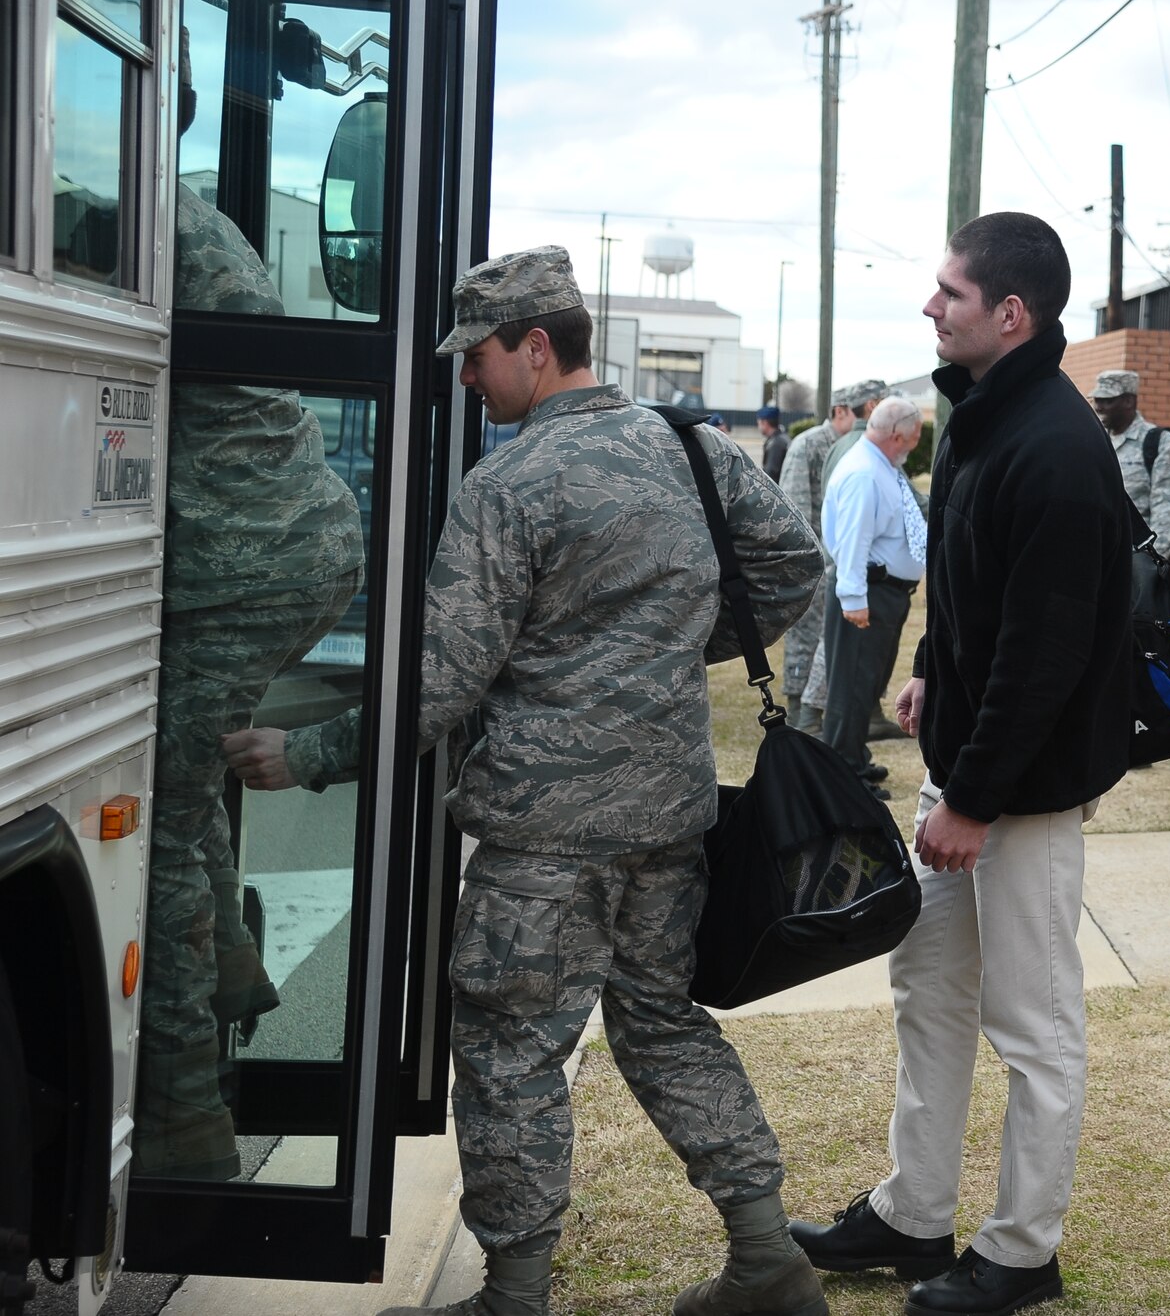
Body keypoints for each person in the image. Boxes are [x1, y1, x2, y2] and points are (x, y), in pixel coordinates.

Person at [222, 248, 827, 1316]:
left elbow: (440, 682)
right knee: (662, 1025)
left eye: (478, 357)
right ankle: (767, 1257)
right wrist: (670, 650)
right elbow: (790, 566)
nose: (467, 379)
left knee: (508, 1053)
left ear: (536, 348)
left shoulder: (508, 485)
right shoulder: (692, 449)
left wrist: (307, 754)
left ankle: (513, 1297)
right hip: (668, 814)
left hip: (546, 836)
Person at [790, 214, 1130, 1316]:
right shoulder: (981, 416)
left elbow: (1048, 647)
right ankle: (910, 1213)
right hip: (967, 767)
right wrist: (932, 665)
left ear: (1010, 315)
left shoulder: (1059, 445)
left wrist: (975, 797)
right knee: (927, 990)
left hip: (1018, 796)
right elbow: (973, 587)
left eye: (947, 292)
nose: (929, 307)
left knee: (1032, 1024)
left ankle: (1023, 1251)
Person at [133, 27, 367, 1182]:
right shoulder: (179, 208)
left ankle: (183, 1124)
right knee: (183, 780)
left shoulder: (129, 215)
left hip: (242, 560)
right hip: (287, 544)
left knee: (163, 810)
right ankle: (228, 966)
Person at [819, 396, 928, 797]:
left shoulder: (881, 466)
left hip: (884, 592)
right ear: (897, 436)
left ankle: (854, 758)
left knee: (867, 683)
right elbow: (852, 541)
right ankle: (842, 776)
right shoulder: (865, 472)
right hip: (867, 591)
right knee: (851, 684)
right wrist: (854, 600)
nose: (915, 445)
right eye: (914, 438)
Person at [777, 388, 859, 729]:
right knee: (804, 640)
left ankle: (819, 715)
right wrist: (808, 565)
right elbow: (793, 509)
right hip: (808, 565)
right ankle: (799, 718)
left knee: (828, 644)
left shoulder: (848, 447)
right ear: (840, 411)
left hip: (834, 563)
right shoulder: (808, 444)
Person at [1090, 368, 1170, 557]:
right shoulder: (1095, 440)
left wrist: (1146, 563)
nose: (1098, 407)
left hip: (1136, 563)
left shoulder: (1160, 443)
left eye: (1107, 400)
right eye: (1096, 400)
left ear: (1128, 401)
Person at [756, 404, 790, 480]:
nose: (758, 427)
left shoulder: (776, 444)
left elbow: (770, 474)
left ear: (765, 423)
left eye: (759, 423)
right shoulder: (783, 438)